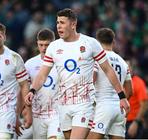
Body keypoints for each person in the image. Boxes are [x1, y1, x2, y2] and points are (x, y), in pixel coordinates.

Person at [24, 8, 130, 139]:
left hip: (84, 103)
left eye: (62, 22)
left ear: (73, 24)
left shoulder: (90, 43)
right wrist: (32, 90)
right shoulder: (54, 47)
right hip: (63, 104)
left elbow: (108, 70)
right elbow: (42, 75)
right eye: (57, 22)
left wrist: (122, 96)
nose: (58, 26)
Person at [87, 28, 133, 139]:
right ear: (113, 42)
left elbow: (92, 80)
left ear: (97, 42)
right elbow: (130, 91)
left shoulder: (97, 59)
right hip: (119, 109)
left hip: (102, 106)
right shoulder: (123, 62)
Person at [24, 28, 63, 139]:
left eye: (47, 45)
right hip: (38, 114)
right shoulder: (30, 64)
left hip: (57, 113)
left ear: (54, 43)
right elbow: (25, 90)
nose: (44, 48)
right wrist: (26, 111)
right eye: (41, 45)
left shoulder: (61, 62)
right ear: (37, 43)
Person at [125, 59, 148, 139]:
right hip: (121, 122)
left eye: (128, 67)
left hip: (132, 122)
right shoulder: (119, 82)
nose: (126, 69)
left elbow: (144, 104)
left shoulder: (138, 82)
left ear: (132, 68)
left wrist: (136, 122)